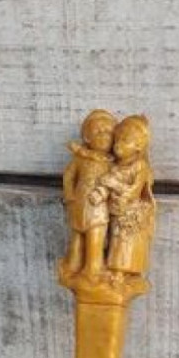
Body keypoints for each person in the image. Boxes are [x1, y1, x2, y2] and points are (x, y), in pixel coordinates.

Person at [61, 109, 117, 278]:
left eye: (108, 132)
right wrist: (69, 197)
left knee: (95, 236)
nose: (103, 136)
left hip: (99, 206)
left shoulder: (112, 163)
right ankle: (77, 266)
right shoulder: (80, 159)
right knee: (79, 236)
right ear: (87, 138)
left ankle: (91, 267)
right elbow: (68, 176)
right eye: (98, 132)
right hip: (80, 204)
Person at [100, 114, 155, 276]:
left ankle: (120, 274)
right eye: (117, 140)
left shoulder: (140, 166)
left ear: (138, 146)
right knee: (114, 240)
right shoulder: (114, 165)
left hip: (130, 214)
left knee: (125, 243)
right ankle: (111, 270)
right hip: (115, 210)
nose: (118, 145)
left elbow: (133, 192)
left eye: (125, 141)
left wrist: (113, 184)